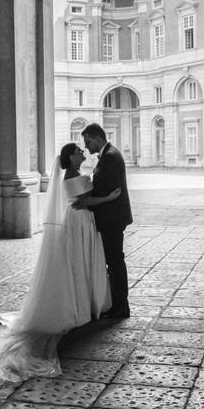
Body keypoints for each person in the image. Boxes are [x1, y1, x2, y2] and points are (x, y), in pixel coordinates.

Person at [0, 143, 121, 384]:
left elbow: (81, 198)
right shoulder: (72, 175)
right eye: (78, 151)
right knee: (79, 263)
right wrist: (109, 197)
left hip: (80, 222)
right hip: (79, 222)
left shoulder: (74, 174)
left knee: (79, 263)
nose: (82, 153)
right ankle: (83, 303)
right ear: (70, 157)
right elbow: (85, 202)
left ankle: (85, 301)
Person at [75, 123, 133, 318]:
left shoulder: (109, 157)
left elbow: (104, 189)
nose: (87, 147)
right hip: (112, 216)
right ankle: (118, 304)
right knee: (114, 260)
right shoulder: (109, 154)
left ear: (97, 138)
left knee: (115, 261)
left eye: (88, 141)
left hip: (112, 217)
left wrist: (85, 200)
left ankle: (120, 306)